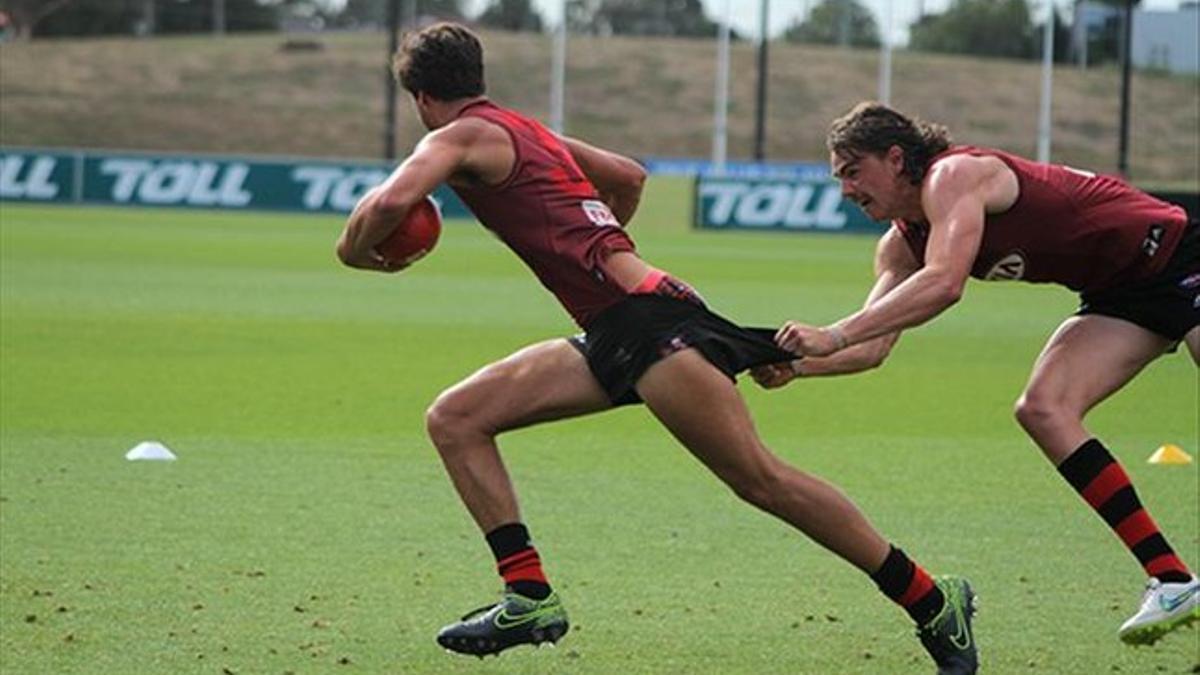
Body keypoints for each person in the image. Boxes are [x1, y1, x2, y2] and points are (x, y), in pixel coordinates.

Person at [336, 24, 978, 674]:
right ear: (477, 78)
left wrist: (357, 253)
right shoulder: (522, 129)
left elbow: (391, 200)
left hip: (648, 327)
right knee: (456, 417)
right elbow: (629, 177)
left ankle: (931, 597)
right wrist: (608, 252)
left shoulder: (456, 137)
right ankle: (528, 594)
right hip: (620, 327)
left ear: (420, 97)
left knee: (762, 480)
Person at [755, 101, 1199, 646]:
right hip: (1120, 296)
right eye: (839, 177)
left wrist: (834, 333)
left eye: (853, 171)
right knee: (1043, 409)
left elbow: (944, 283)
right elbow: (872, 349)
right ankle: (1173, 579)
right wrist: (797, 366)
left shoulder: (954, 175)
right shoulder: (899, 243)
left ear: (896, 159)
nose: (846, 190)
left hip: (1181, 254)